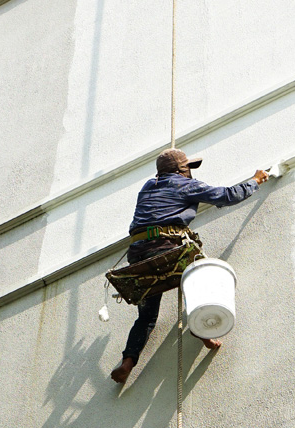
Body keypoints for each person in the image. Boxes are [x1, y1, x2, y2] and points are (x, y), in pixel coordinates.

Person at [111, 148, 269, 383]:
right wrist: (255, 181)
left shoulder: (147, 187)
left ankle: (127, 362)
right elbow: (226, 196)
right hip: (167, 247)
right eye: (188, 169)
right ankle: (204, 332)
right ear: (180, 170)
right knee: (201, 280)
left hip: (139, 255)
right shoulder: (182, 185)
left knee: (146, 317)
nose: (190, 174)